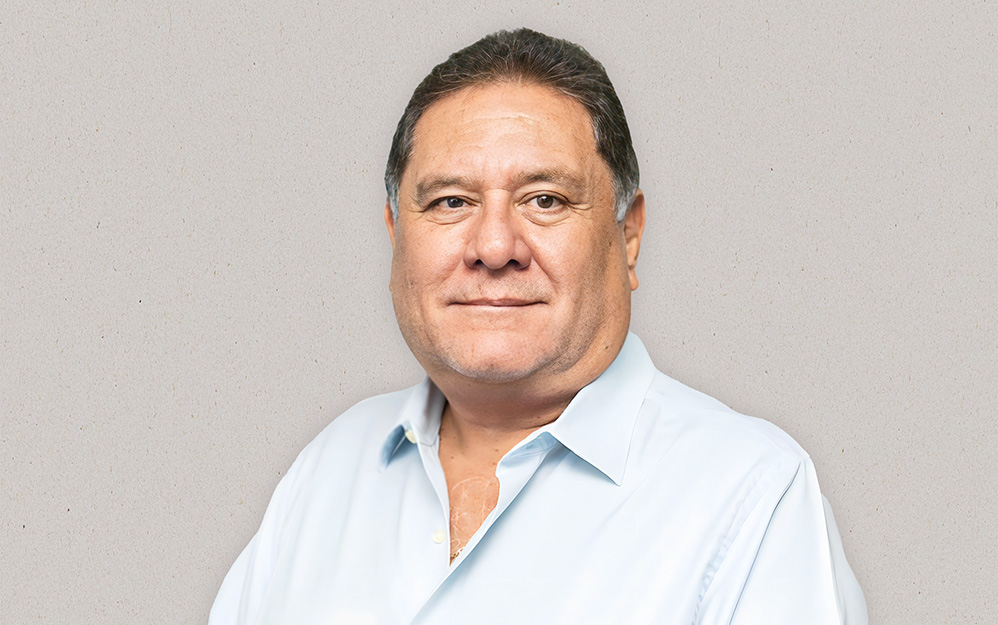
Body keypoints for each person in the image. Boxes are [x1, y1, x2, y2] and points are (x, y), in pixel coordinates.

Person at [209, 28, 867, 624]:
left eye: (544, 200)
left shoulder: (752, 497)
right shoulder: (326, 473)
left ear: (629, 235)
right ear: (395, 234)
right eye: (451, 201)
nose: (495, 247)